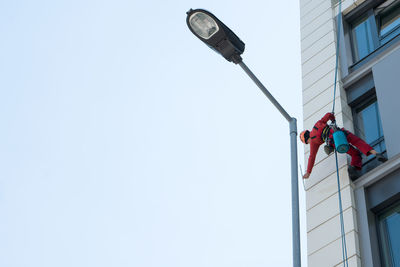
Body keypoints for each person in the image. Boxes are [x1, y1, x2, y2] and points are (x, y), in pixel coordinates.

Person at [299, 112, 387, 179]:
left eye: (307, 142)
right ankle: (377, 154)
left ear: (307, 140)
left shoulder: (314, 143)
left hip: (336, 142)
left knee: (355, 153)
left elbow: (312, 157)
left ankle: (353, 168)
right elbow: (328, 114)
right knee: (358, 142)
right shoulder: (317, 124)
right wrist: (333, 119)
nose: (309, 143)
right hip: (338, 133)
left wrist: (308, 172)